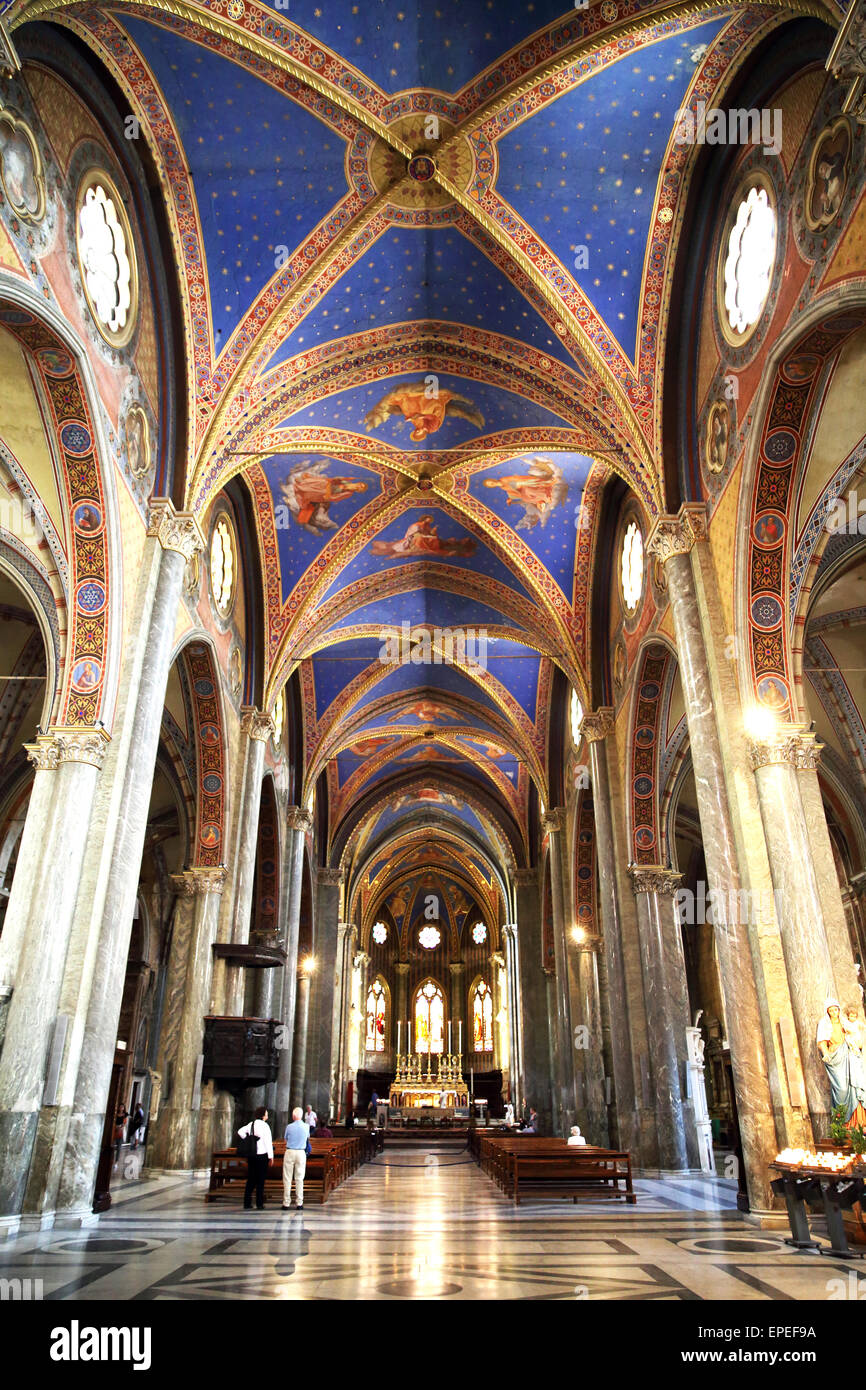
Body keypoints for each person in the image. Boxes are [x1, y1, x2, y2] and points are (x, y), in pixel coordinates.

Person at [817, 998, 866, 1128]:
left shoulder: (844, 1021)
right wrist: (826, 1053)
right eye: (831, 1010)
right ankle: (843, 1125)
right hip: (835, 1058)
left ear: (839, 1010)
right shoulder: (824, 1023)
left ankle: (857, 1123)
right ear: (827, 1012)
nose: (834, 1012)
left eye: (835, 1009)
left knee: (854, 1086)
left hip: (849, 1055)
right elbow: (822, 1041)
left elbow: (855, 1035)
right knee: (842, 1089)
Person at [237, 1106, 274, 1211]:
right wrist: (271, 1157)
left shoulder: (251, 1124)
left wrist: (249, 1139)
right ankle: (259, 1203)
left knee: (251, 1179)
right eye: (266, 1113)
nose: (267, 1115)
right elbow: (268, 1142)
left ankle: (247, 1202)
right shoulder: (265, 1126)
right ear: (263, 1115)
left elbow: (240, 1131)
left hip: (252, 1155)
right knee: (260, 1180)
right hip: (262, 1155)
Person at [282, 1106, 309, 1211]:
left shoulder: (289, 1127)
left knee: (287, 1178)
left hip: (290, 1151)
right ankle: (299, 1203)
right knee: (299, 1178)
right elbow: (307, 1139)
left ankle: (286, 1203)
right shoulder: (306, 1127)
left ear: (293, 1116)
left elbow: (285, 1140)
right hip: (301, 1153)